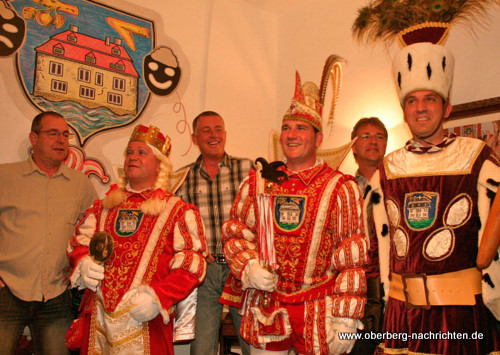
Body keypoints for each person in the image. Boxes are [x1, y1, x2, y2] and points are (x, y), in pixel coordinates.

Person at [221, 72, 368, 355]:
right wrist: (248, 267)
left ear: (318, 139)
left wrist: (348, 315)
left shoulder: (339, 187)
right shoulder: (259, 182)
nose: (291, 134)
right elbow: (236, 234)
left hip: (319, 311)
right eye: (287, 127)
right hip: (267, 306)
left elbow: (351, 255)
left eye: (301, 127)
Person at [367, 42, 500, 354]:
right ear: (404, 112)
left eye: (430, 98)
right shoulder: (386, 170)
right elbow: (375, 250)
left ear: (447, 107)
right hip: (401, 317)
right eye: (412, 100)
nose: (420, 107)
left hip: (461, 317)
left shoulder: (477, 159)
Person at [66, 124, 208, 355]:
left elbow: (193, 265)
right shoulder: (103, 207)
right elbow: (78, 243)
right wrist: (83, 262)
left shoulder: (177, 210)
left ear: (159, 164)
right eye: (129, 152)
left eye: (142, 152)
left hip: (145, 320)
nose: (133, 156)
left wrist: (159, 297)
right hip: (99, 322)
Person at [0, 111, 97, 354]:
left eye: (65, 135)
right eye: (53, 133)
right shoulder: (5, 177)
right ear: (34, 138)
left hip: (56, 295)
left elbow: (95, 230)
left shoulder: (80, 184)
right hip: (7, 293)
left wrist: (79, 264)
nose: (61, 140)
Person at [176, 111, 253, 355]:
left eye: (218, 129)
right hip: (204, 274)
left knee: (253, 342)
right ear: (194, 138)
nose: (213, 135)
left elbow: (261, 215)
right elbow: (177, 228)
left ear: (226, 135)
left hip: (240, 270)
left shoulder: (248, 168)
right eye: (206, 130)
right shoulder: (182, 177)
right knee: (201, 348)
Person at [349, 117, 388, 355]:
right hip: (355, 290)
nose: (373, 141)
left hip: (394, 289)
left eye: (379, 136)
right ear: (353, 146)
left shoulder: (399, 184)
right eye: (365, 136)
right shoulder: (342, 188)